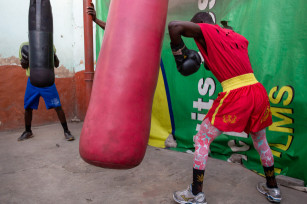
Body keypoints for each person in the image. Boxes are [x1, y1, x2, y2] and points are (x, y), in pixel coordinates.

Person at [168, 12, 281, 203]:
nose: (197, 38)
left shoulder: (207, 30)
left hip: (237, 94)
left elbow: (174, 27)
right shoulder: (235, 37)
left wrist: (180, 53)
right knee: (260, 140)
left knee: (202, 138)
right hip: (257, 91)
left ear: (202, 24)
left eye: (197, 33)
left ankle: (196, 193)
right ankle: (273, 188)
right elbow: (224, 61)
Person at [18, 42, 75, 142]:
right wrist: (28, 58)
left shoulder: (49, 43)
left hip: (47, 81)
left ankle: (66, 131)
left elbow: (56, 64)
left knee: (58, 106)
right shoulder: (24, 46)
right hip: (33, 81)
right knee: (28, 107)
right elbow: (23, 66)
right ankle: (28, 131)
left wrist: (53, 55)